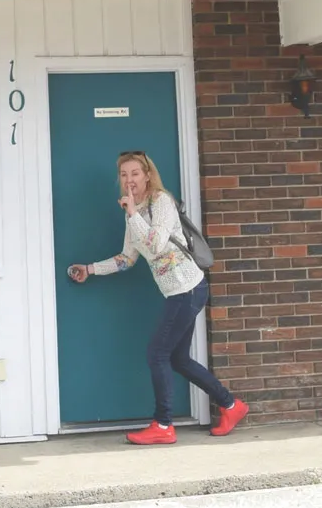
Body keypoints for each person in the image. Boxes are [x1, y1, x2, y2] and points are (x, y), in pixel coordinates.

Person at [66, 149, 247, 445]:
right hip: (178, 291)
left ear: (148, 175)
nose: (129, 180)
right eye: (124, 175)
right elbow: (127, 258)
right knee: (177, 358)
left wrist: (133, 212)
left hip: (186, 288)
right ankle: (230, 405)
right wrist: (91, 269)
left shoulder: (162, 202)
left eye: (135, 173)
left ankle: (163, 424)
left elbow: (157, 242)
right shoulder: (133, 213)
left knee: (157, 354)